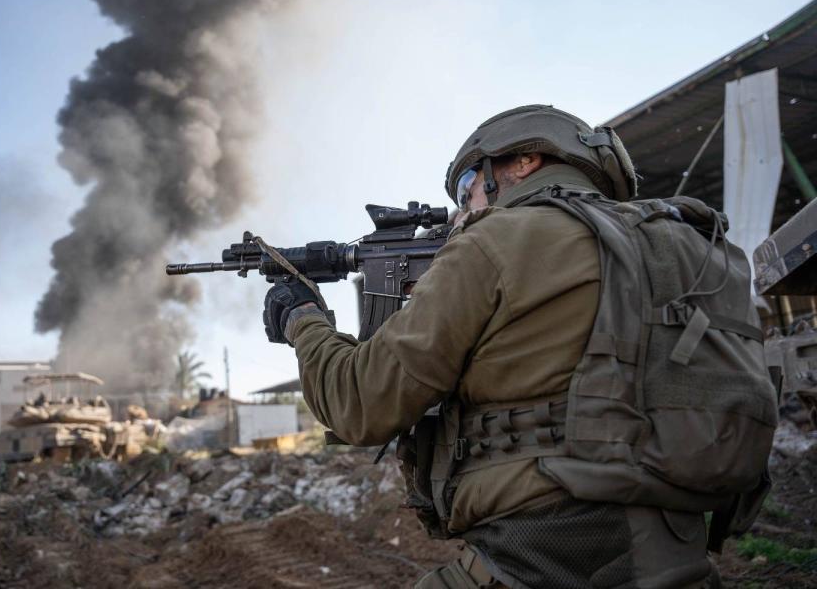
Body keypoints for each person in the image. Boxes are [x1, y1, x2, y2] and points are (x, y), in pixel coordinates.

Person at [262, 105, 765, 588]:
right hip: (676, 549)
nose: (464, 209)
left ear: (525, 160)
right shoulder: (698, 246)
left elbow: (361, 404)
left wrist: (304, 319)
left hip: (542, 551)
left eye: (467, 187)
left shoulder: (496, 239)